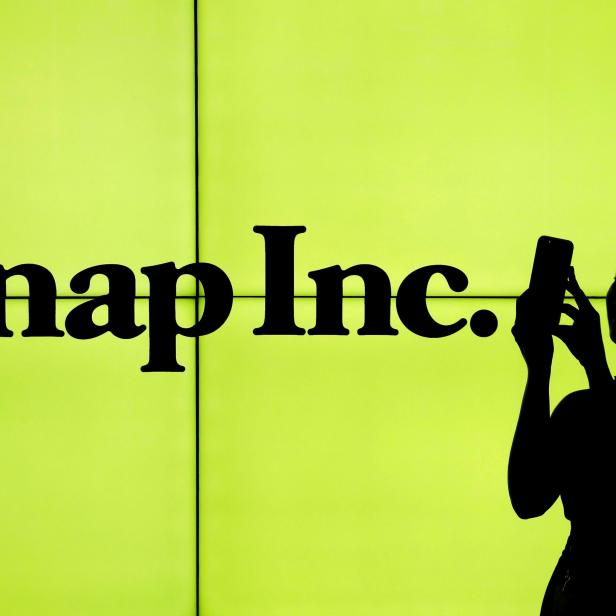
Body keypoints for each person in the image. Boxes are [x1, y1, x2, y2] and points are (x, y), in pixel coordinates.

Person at [509, 266, 616, 614]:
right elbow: (528, 497)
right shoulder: (584, 410)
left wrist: (541, 369)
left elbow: (528, 498)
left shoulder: (583, 411)